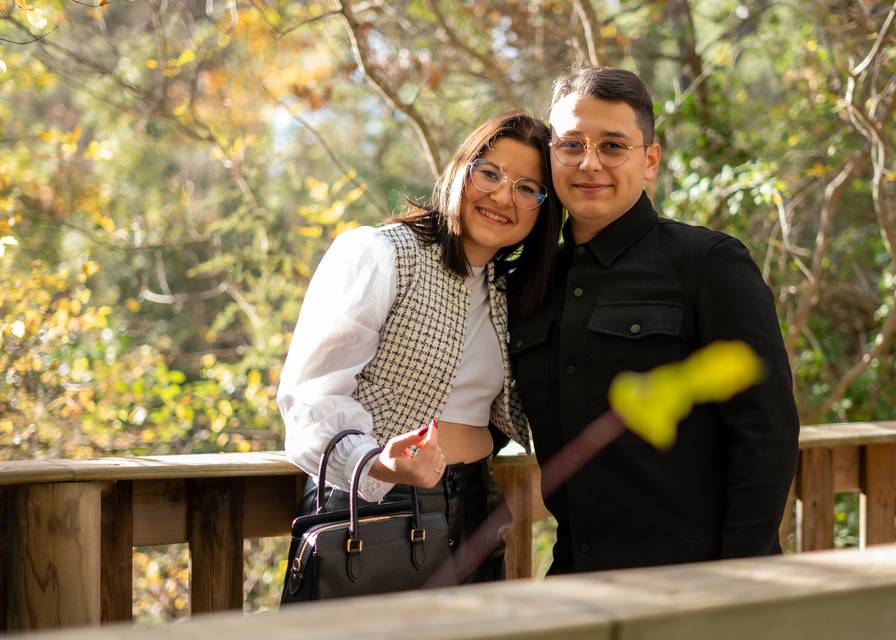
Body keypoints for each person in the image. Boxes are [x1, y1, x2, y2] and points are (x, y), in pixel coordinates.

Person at [508, 66, 799, 574]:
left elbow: (766, 429)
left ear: (650, 161)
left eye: (614, 146)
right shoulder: (528, 284)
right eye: (571, 144)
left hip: (701, 583)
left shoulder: (709, 264)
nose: (589, 163)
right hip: (575, 582)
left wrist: (742, 581)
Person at [278, 111, 562, 583]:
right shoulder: (381, 253)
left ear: (542, 209)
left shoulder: (511, 292)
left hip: (476, 508)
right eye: (489, 173)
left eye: (527, 187)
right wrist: (376, 463)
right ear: (460, 171)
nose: (501, 196)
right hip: (372, 507)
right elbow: (308, 398)